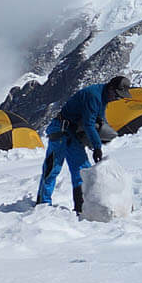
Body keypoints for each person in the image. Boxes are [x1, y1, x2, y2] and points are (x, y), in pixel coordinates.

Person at [39, 75, 130, 216]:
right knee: (53, 168)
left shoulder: (104, 97)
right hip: (60, 130)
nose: (117, 99)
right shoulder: (94, 96)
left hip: (73, 133)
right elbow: (88, 123)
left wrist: (104, 134)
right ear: (111, 88)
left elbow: (100, 119)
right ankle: (42, 205)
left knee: (82, 171)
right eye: (117, 95)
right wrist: (97, 146)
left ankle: (82, 208)